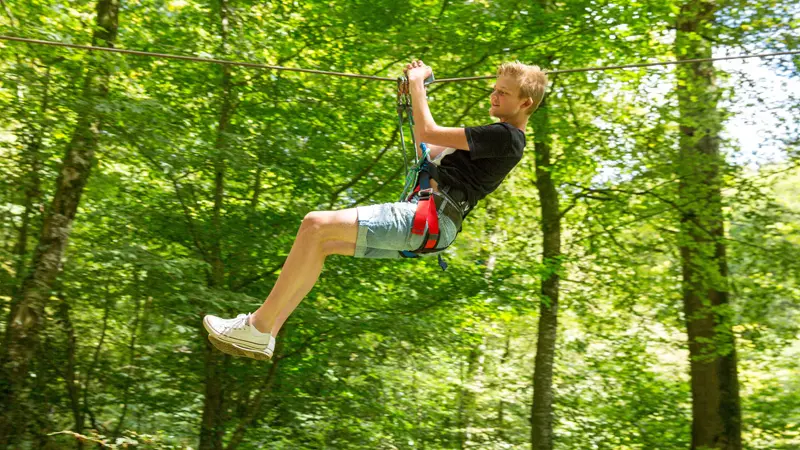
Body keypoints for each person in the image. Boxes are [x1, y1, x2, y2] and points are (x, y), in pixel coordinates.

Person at [202, 60, 547, 360]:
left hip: (429, 219)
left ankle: (257, 326)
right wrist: (412, 96)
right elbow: (425, 145)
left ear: (525, 103)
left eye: (503, 92)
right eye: (495, 89)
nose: (494, 95)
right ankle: (268, 332)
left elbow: (429, 130)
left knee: (314, 225)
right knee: (321, 243)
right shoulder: (493, 138)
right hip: (430, 223)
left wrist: (416, 82)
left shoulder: (506, 137)